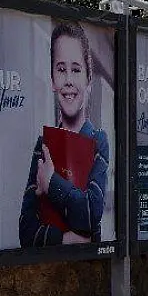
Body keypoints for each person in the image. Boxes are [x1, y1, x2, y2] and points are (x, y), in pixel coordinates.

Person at [19, 22, 110, 247]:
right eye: (61, 69)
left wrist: (51, 183)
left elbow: (90, 215)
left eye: (76, 69)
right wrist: (67, 238)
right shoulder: (43, 145)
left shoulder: (98, 140)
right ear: (52, 80)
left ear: (89, 81)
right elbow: (25, 231)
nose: (68, 79)